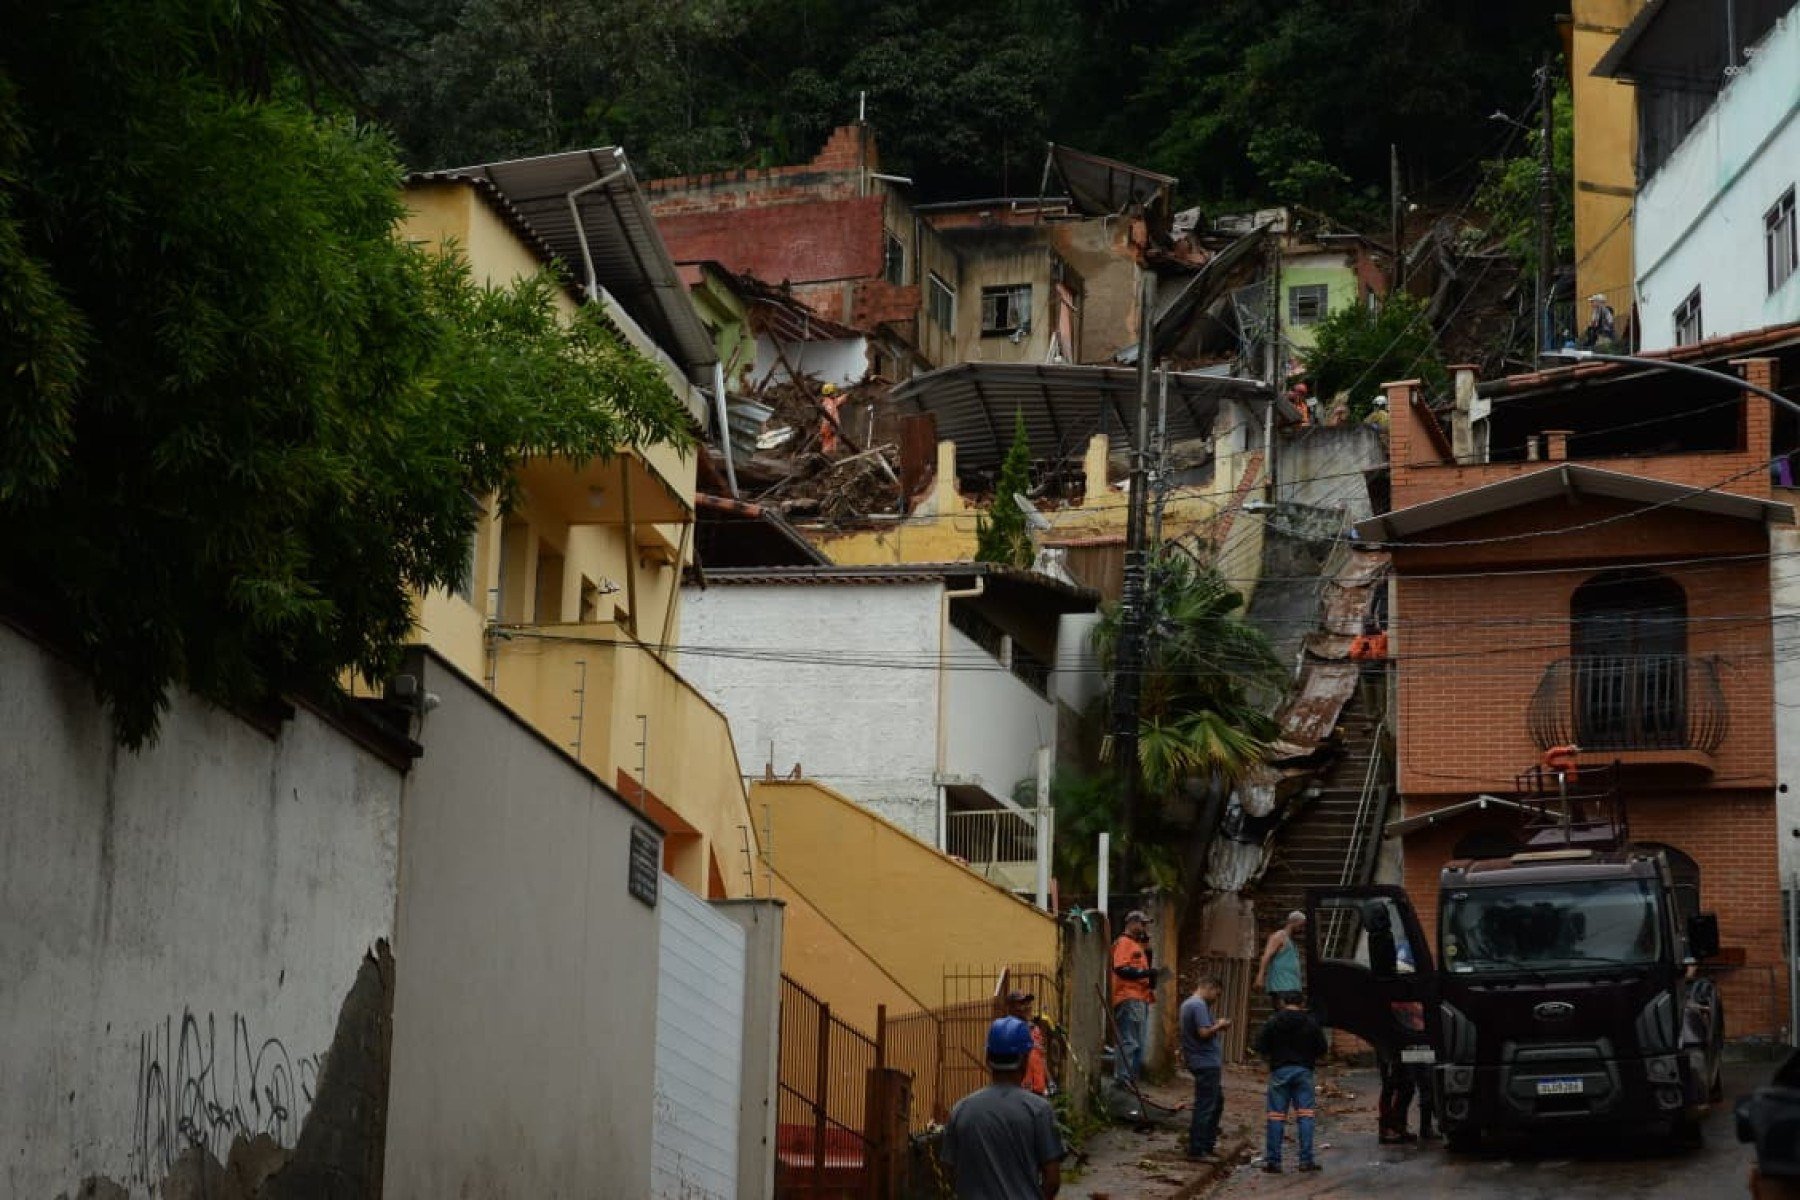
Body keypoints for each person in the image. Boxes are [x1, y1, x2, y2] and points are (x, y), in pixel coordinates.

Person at [941, 1017, 1065, 1200]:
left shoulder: (961, 1110)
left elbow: (948, 1171)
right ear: (1024, 1060)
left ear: (987, 1058)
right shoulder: (1038, 1110)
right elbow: (1052, 1180)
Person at [1253, 991, 1328, 1173]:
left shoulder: (1273, 1021)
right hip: (1303, 1072)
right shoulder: (1311, 1022)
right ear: (1302, 1003)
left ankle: (1274, 1162)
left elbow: (1260, 1046)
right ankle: (1306, 1161)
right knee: (1305, 1116)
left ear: (1282, 1002)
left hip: (1280, 1071)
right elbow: (1322, 1048)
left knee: (1276, 1116)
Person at [1179, 974, 1233, 1161]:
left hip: (1201, 1060)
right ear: (1209, 988)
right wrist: (1220, 1025)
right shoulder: (1198, 1005)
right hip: (1205, 1062)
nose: (1216, 998)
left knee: (1215, 1102)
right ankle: (1197, 1148)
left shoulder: (1190, 1004)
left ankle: (1206, 1144)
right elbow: (1203, 1032)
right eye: (1217, 994)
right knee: (1206, 1105)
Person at [1111, 910, 1159, 1085]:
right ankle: (1123, 1078)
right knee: (1130, 1040)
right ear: (1131, 923)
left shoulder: (1137, 945)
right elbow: (1121, 968)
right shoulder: (1124, 942)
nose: (1145, 928)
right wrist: (1144, 973)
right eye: (1142, 924)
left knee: (1138, 1042)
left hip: (1141, 997)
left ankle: (1131, 1079)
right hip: (1129, 996)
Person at [1255, 911, 1306, 1010]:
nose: (1301, 929)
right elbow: (1266, 956)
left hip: (1292, 985)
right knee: (1284, 1014)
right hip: (1281, 986)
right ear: (1293, 922)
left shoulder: (1291, 941)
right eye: (1300, 925)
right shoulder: (1279, 936)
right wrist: (1260, 976)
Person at [1005, 989, 1051, 1097]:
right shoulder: (1008, 1029)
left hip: (1038, 1087)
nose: (1027, 1006)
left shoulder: (1034, 1028)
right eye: (1022, 1003)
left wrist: (1049, 1080)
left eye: (1028, 1003)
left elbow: (1041, 1057)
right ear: (1011, 1007)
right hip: (1020, 1089)